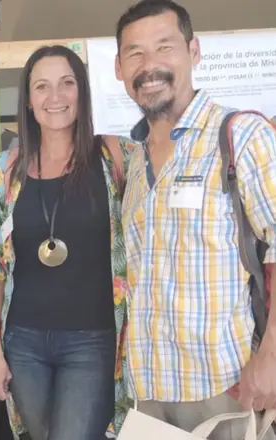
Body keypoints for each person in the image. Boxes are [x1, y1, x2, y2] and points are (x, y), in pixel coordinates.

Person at [115, 1, 276, 438]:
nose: (150, 65)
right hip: (149, 391)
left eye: (164, 47)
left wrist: (272, 356)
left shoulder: (241, 136)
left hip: (225, 386)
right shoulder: (135, 163)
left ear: (194, 51)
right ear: (119, 68)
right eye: (135, 53)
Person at [0, 44, 136, 440]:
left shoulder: (115, 157)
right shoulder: (6, 171)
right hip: (24, 342)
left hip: (92, 341)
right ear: (28, 101)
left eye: (67, 83)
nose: (55, 97)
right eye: (42, 86)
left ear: (82, 92)